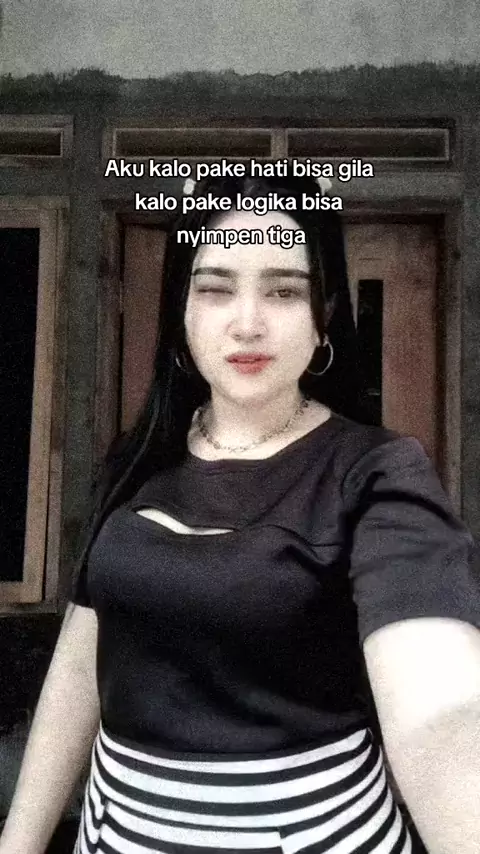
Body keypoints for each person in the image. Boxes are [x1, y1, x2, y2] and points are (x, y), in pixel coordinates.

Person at [2, 171, 480, 854]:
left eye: (284, 290)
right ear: (182, 310)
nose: (248, 322)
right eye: (215, 287)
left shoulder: (377, 471)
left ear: (324, 314)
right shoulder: (141, 456)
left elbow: (443, 713)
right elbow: (84, 659)